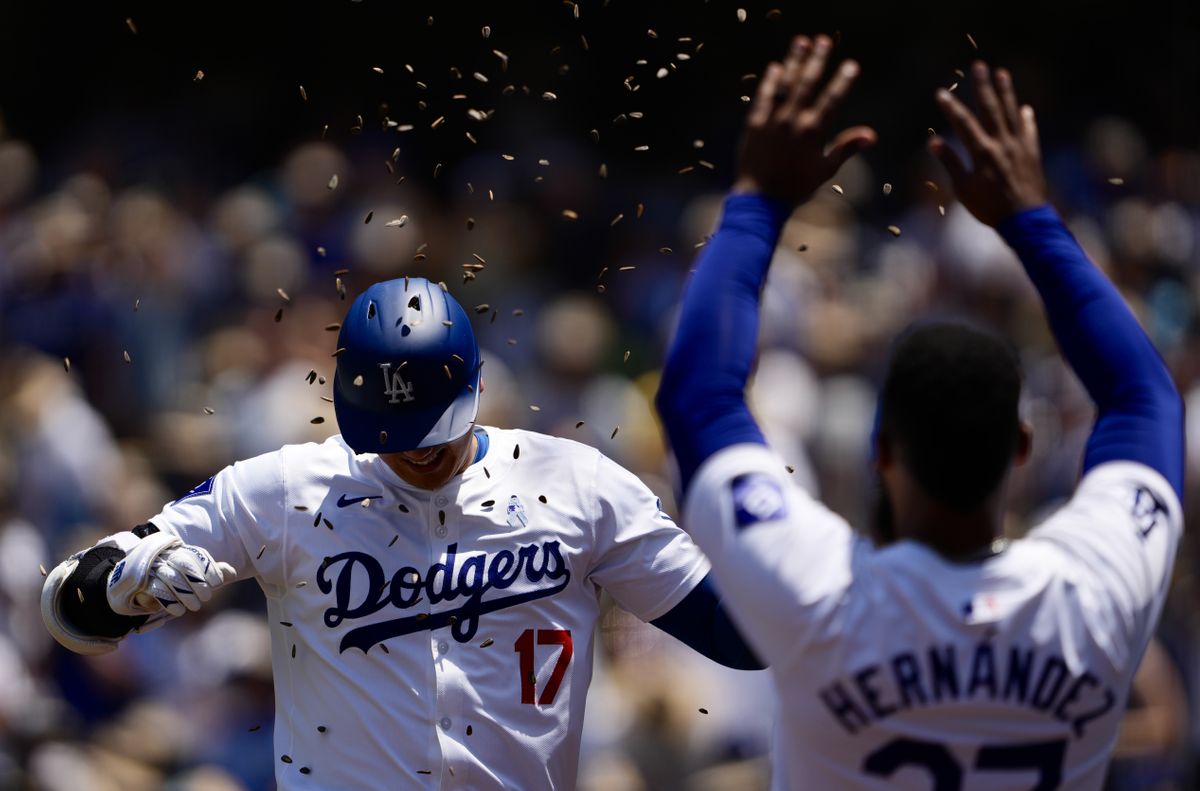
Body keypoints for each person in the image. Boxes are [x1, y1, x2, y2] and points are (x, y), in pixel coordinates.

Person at [656, 34, 1183, 790]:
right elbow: (1143, 395)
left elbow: (698, 395)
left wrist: (756, 202)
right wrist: (1032, 218)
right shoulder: (1091, 592)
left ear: (881, 450)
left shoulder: (823, 596)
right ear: (1022, 446)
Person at [40, 276, 763, 789]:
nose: (416, 447)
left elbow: (741, 634)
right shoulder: (286, 488)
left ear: (477, 387)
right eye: (393, 430)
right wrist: (122, 585)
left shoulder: (575, 482)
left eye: (431, 425)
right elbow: (70, 605)